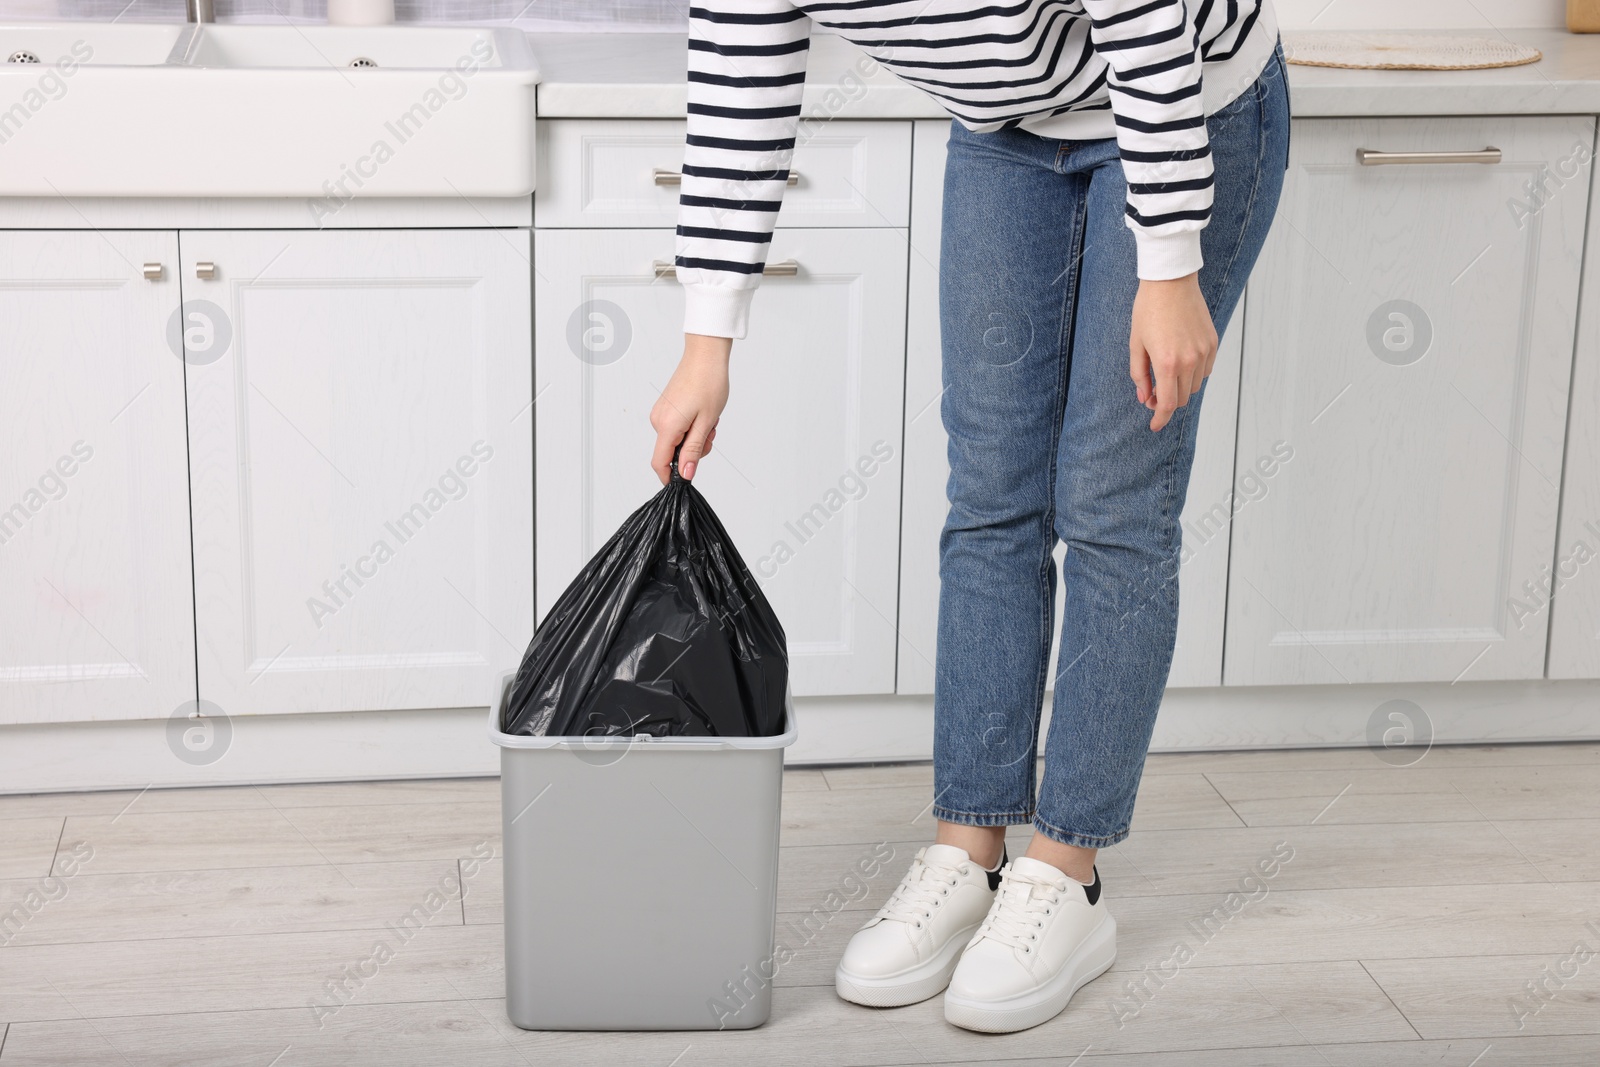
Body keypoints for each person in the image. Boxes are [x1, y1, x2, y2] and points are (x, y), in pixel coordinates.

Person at [650, 0, 1290, 1035]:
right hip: (1005, 132)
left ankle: (1066, 872)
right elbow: (739, 86)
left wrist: (1168, 259)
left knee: (1112, 499)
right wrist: (706, 337)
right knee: (991, 493)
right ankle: (968, 847)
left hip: (1178, 103)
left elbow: (1143, 23)